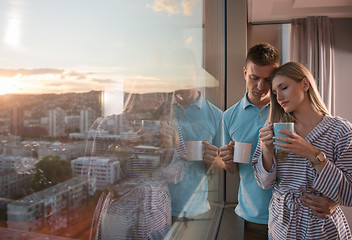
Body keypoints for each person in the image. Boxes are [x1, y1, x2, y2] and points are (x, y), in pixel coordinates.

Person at [219, 43, 339, 239]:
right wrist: (228, 161)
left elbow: (328, 154)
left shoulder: (292, 108)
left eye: (268, 80)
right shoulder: (229, 117)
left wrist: (334, 199)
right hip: (254, 216)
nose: (261, 86)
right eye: (254, 77)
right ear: (245, 72)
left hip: (301, 219)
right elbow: (233, 169)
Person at [252, 61, 352, 239]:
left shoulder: (341, 131)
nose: (279, 97)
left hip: (322, 230)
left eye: (284, 88)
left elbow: (349, 194)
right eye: (275, 93)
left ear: (305, 84)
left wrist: (312, 154)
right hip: (281, 230)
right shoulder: (274, 129)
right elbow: (264, 184)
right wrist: (266, 149)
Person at [168, 87, 223, 220]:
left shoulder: (217, 115)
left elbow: (220, 167)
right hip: (158, 208)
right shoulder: (160, 110)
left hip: (196, 209)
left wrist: (213, 160)